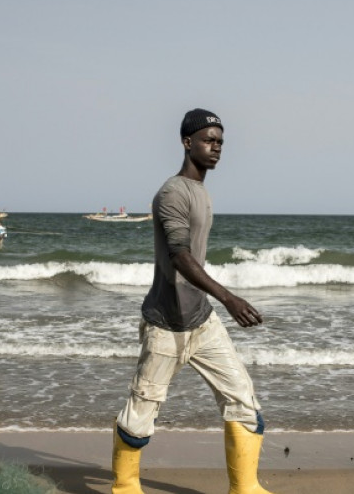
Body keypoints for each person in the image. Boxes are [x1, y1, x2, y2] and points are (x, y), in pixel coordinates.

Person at [112, 109, 274, 494]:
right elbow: (180, 256)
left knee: (243, 401)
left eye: (220, 142)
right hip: (166, 325)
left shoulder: (201, 191)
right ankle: (125, 487)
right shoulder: (172, 193)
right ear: (187, 143)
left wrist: (215, 303)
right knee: (141, 413)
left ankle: (245, 488)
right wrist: (229, 297)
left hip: (202, 321)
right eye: (208, 140)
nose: (216, 147)